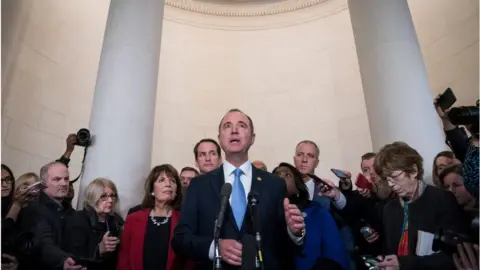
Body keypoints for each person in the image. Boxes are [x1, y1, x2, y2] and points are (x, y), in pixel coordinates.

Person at [172, 109, 306, 270]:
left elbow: (282, 247)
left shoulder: (274, 184)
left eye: (241, 125)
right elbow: (180, 239)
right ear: (220, 138)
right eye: (227, 126)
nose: (234, 130)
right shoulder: (199, 185)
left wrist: (294, 233)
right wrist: (214, 247)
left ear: (253, 138)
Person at [374, 142, 466, 270]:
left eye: (394, 177)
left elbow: (455, 256)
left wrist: (405, 264)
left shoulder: (442, 200)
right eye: (386, 179)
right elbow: (389, 249)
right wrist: (384, 261)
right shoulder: (389, 209)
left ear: (413, 171)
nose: (390, 184)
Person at [272, 163, 350, 270]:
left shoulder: (318, 213)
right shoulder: (267, 214)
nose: (281, 177)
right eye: (277, 175)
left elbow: (336, 255)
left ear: (297, 186)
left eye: (287, 175)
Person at [117, 164, 192, 270]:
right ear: (152, 190)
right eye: (162, 180)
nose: (168, 184)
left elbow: (189, 262)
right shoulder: (133, 219)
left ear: (176, 192)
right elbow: (124, 258)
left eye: (173, 181)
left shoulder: (184, 220)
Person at [63, 178, 124, 270]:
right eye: (104, 196)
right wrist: (99, 249)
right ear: (93, 197)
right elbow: (73, 255)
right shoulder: (78, 219)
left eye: (113, 195)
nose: (110, 200)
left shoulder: (116, 221)